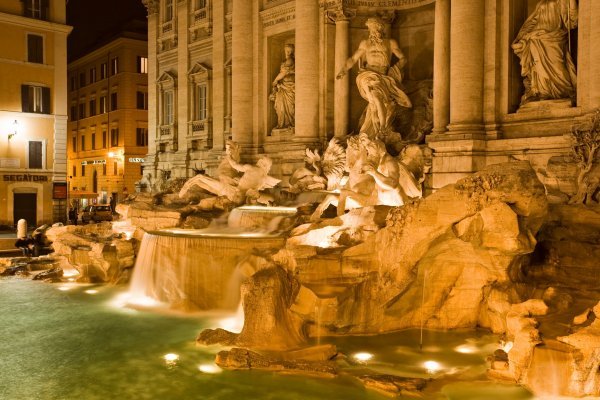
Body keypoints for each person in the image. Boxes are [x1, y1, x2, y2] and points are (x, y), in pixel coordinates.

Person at [336, 17, 412, 137]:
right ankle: (382, 127)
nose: (372, 32)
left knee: (377, 101)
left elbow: (403, 58)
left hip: (383, 76)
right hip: (368, 74)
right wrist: (343, 70)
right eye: (370, 29)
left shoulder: (391, 43)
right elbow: (353, 59)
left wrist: (395, 69)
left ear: (380, 29)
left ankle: (380, 125)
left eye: (374, 28)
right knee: (376, 97)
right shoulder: (365, 44)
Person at [512, 0, 578, 106]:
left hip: (555, 37)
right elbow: (532, 22)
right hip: (536, 37)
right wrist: (521, 38)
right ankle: (542, 91)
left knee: (558, 67)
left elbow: (572, 21)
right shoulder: (541, 3)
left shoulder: (563, 1)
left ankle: (563, 92)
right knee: (537, 64)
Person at [270, 43, 295, 129]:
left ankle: (289, 123)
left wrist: (275, 80)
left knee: (289, 107)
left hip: (289, 86)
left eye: (290, 51)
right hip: (283, 86)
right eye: (287, 50)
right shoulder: (285, 61)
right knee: (280, 106)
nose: (288, 52)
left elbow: (283, 73)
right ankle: (283, 123)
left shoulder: (290, 60)